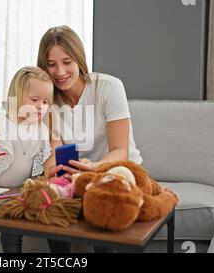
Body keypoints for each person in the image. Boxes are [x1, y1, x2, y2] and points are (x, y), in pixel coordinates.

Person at [39, 25, 143, 253]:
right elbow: (52, 151)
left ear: (79, 59)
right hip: (73, 176)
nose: (59, 71)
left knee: (101, 203)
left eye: (67, 62)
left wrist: (94, 167)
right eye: (51, 64)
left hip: (114, 170)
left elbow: (120, 151)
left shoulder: (108, 88)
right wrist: (51, 171)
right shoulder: (47, 100)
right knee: (51, 201)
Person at [0, 66, 54, 253]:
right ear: (16, 97)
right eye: (35, 100)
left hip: (18, 194)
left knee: (13, 244)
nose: (41, 106)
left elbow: (45, 160)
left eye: (46, 102)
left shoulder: (41, 130)